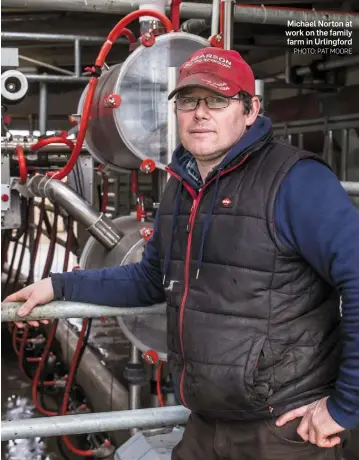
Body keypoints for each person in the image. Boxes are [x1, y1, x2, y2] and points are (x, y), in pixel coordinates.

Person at [5, 47, 359, 460]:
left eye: (218, 100)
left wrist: (345, 406)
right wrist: (59, 285)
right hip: (205, 424)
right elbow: (150, 278)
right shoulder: (182, 186)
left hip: (282, 431)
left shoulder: (295, 181)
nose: (200, 113)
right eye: (189, 101)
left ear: (250, 109)